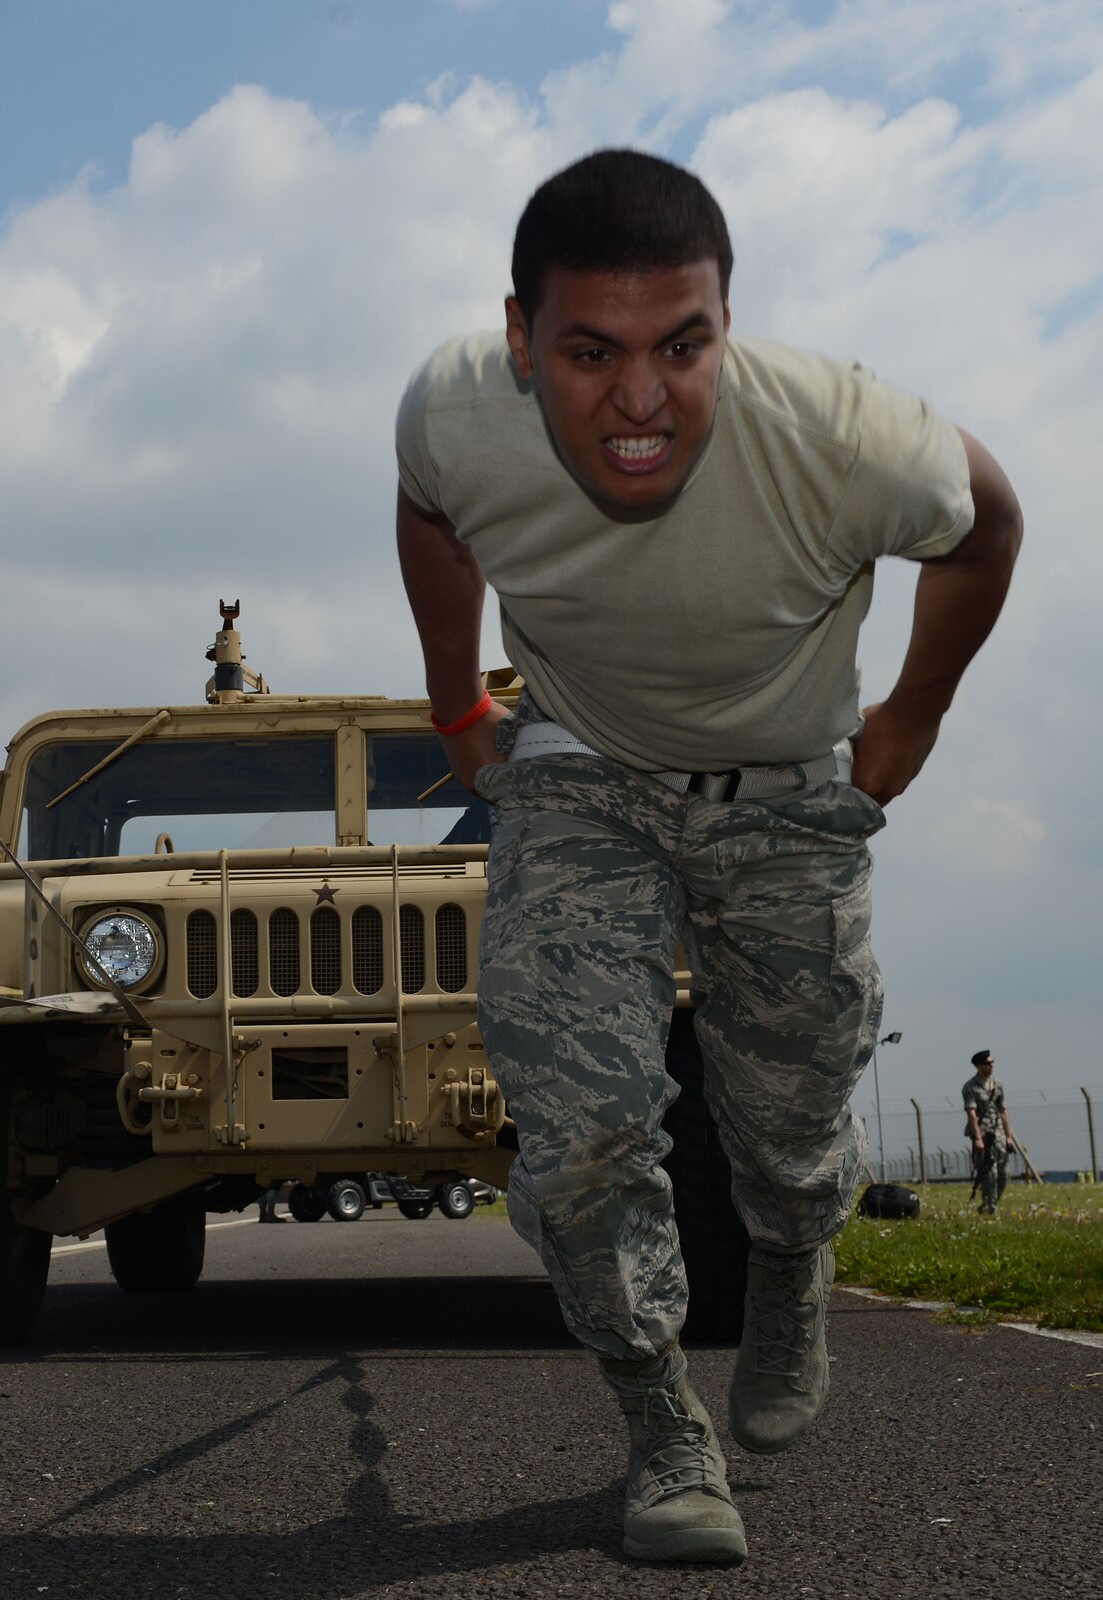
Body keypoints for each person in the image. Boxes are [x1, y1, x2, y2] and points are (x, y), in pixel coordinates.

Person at [394, 149, 1022, 1564]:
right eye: (589, 352)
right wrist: (455, 704)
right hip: (580, 776)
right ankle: (662, 1425)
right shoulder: (452, 413)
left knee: (789, 1124)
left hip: (790, 788)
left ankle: (797, 1257)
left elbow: (991, 527)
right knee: (583, 1125)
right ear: (518, 338)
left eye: (684, 348)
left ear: (726, 323)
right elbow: (430, 517)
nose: (638, 401)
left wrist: (908, 716)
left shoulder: (850, 436)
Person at [963, 1049, 1016, 1216]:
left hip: (999, 1132)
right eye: (988, 1063)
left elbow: (1003, 1111)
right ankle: (989, 1207)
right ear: (979, 1066)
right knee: (988, 1172)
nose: (991, 1065)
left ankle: (994, 1201)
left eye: (992, 1062)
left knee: (1004, 1173)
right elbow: (971, 1113)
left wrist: (1009, 1136)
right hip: (983, 1133)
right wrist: (978, 1138)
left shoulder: (997, 1085)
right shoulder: (970, 1087)